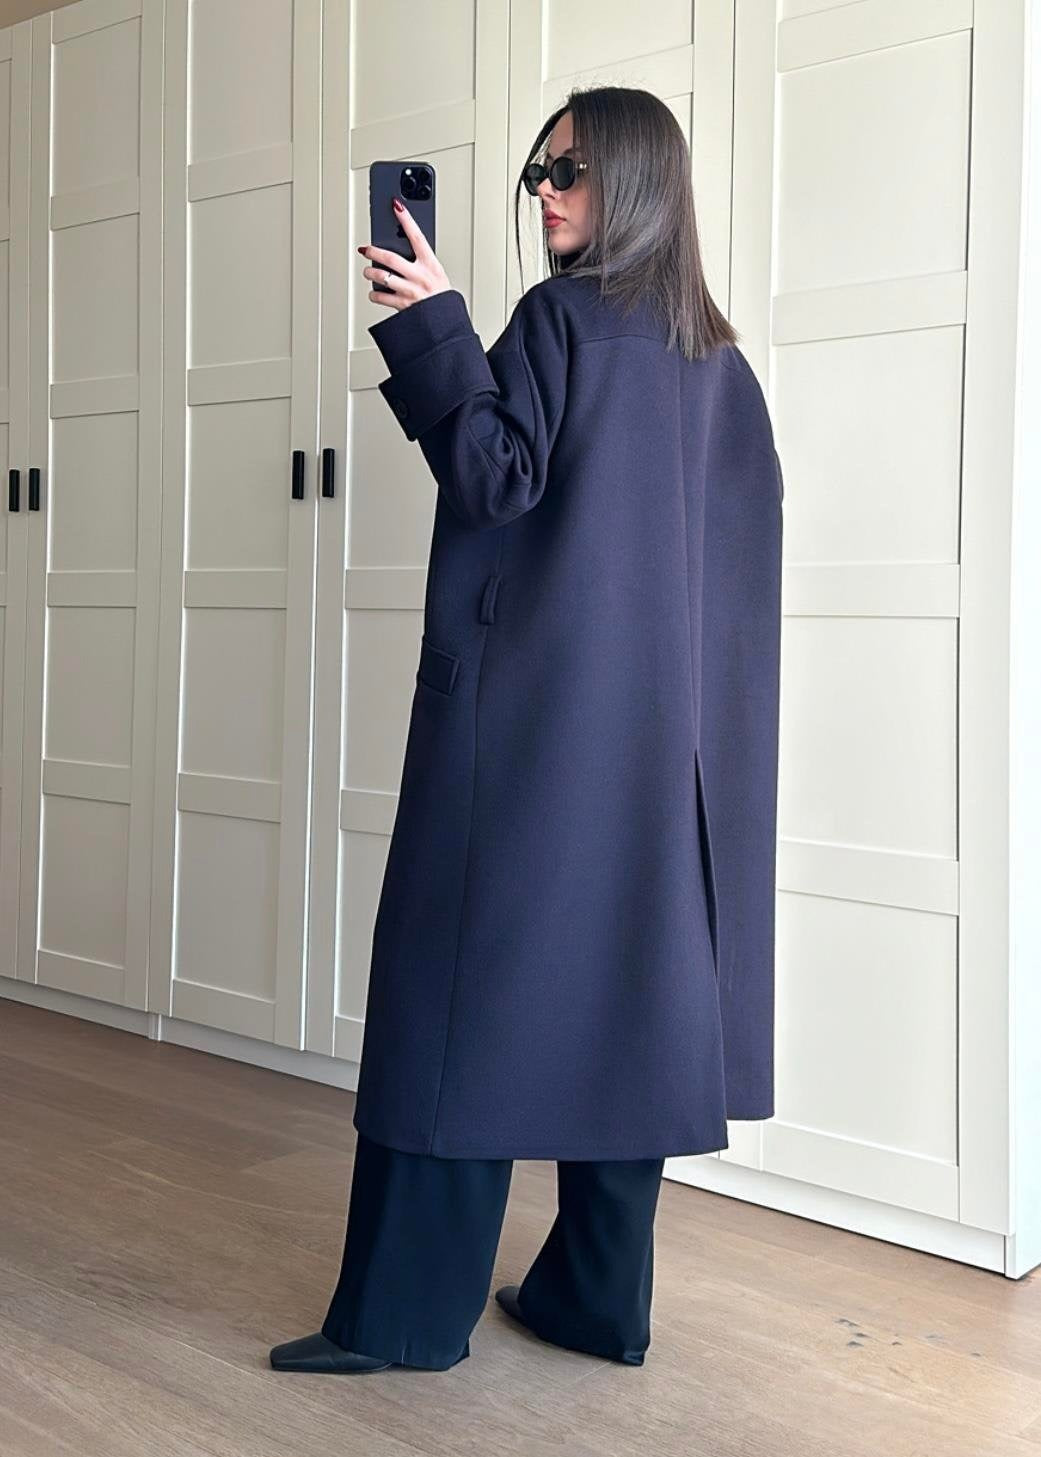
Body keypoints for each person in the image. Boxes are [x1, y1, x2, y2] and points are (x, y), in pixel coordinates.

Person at [270, 84, 783, 1376]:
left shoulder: (559, 320)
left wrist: (430, 323)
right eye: (537, 172)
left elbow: (495, 478)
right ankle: (595, 1302)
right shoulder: (722, 366)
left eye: (570, 170)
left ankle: (402, 1320)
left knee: (460, 997)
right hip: (672, 761)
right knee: (633, 998)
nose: (545, 193)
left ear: (637, 182)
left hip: (530, 735)